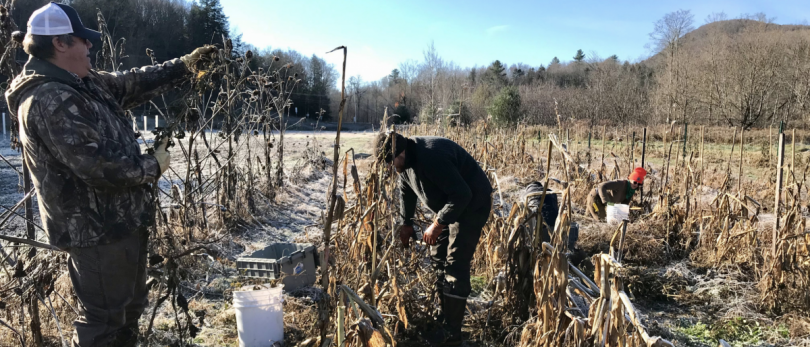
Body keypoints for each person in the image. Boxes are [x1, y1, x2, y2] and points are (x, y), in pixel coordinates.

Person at [6, 3, 216, 346]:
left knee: (129, 309)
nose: (90, 46)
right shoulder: (49, 98)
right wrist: (153, 166)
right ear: (60, 44)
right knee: (103, 323)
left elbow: (134, 81)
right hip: (95, 233)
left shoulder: (84, 82)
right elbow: (99, 167)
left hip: (121, 223)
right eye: (82, 40)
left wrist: (185, 66)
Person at [374, 132, 493, 346]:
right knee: (438, 256)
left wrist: (437, 224)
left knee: (455, 264)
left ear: (400, 152)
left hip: (473, 204)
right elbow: (406, 191)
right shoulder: (405, 163)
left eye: (391, 162)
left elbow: (462, 194)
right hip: (451, 206)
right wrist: (407, 223)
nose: (390, 167)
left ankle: (453, 335)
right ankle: (444, 316)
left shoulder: (430, 157)